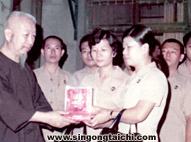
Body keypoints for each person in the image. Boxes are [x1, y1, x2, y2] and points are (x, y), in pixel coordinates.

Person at [0, 11, 75, 142]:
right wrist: (47, 118)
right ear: (8, 34)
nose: (30, 42)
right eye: (26, 35)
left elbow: (38, 100)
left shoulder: (25, 68)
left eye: (33, 36)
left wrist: (56, 116)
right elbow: (8, 107)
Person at [86, 24, 169, 142]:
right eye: (124, 48)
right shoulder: (133, 78)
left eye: (129, 47)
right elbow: (123, 117)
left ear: (144, 48)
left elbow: (138, 114)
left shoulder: (154, 77)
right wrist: (98, 118)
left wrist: (109, 114)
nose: (124, 52)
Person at [81, 29, 128, 136]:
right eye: (94, 50)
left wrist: (104, 123)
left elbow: (128, 116)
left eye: (103, 50)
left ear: (114, 52)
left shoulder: (125, 80)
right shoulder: (86, 80)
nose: (98, 55)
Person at [34, 35, 75, 141]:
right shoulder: (32, 76)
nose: (53, 52)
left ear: (62, 53)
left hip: (63, 135)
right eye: (49, 48)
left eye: (57, 48)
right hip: (38, 134)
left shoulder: (71, 78)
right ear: (42, 52)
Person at [160, 38, 191, 142]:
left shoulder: (187, 84)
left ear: (181, 57)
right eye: (164, 51)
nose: (167, 55)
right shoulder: (152, 79)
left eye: (173, 52)